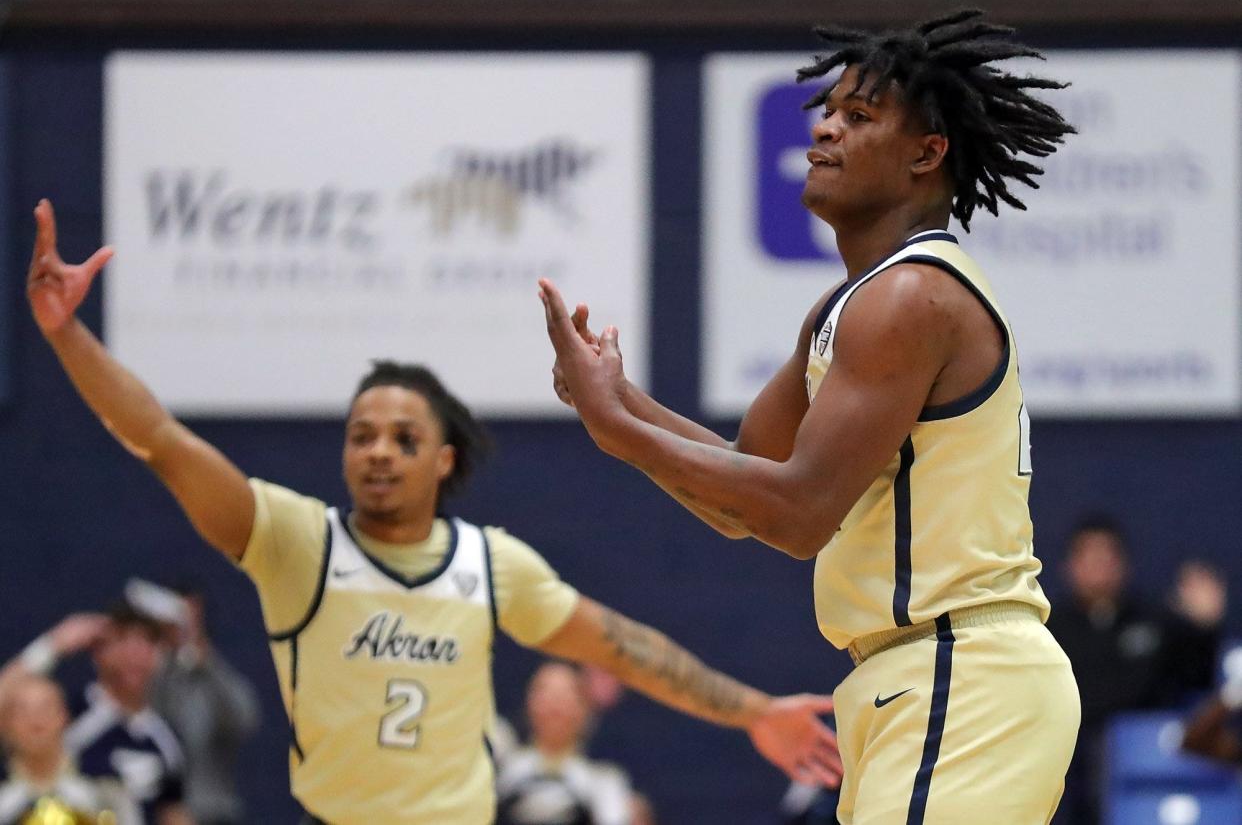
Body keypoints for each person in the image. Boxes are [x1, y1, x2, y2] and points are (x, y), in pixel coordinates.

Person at [25, 199, 841, 825]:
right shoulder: (293, 541)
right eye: (362, 435)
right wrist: (68, 338)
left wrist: (756, 710)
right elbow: (158, 438)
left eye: (403, 436)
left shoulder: (489, 564)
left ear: (443, 459)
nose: (379, 450)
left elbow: (625, 648)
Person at [541, 9, 1080, 824]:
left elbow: (795, 514)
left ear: (926, 153)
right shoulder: (850, 303)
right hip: (909, 676)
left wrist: (617, 430)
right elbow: (747, 477)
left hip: (962, 673)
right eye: (828, 111)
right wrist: (615, 399)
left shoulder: (910, 296)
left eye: (859, 117)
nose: (825, 128)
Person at [1047, 519, 1226, 824]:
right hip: (1069, 766)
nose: (1098, 566)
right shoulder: (1046, 630)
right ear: (1070, 565)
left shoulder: (1156, 622)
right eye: (1089, 556)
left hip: (1143, 753)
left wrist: (1206, 628)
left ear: (1123, 564)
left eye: (1107, 556)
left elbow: (1198, 680)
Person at [1, 607, 192, 825]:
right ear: (98, 651)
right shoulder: (73, 711)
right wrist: (53, 645)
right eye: (123, 641)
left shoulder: (165, 738)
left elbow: (173, 811)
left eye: (146, 643)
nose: (135, 655)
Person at [147, 584, 260, 825]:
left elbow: (246, 719)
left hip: (214, 813)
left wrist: (207, 661)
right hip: (159, 813)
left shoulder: (213, 676)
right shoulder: (151, 674)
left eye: (191, 618)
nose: (185, 627)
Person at [496, 661, 634, 825]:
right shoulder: (502, 771)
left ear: (584, 709)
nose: (555, 705)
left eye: (564, 696)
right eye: (545, 693)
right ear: (529, 704)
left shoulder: (602, 782)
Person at [0, 674, 140, 825]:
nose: (35, 719)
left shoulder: (102, 778)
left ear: (64, 716)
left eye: (45, 708)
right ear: (4, 723)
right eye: (23, 711)